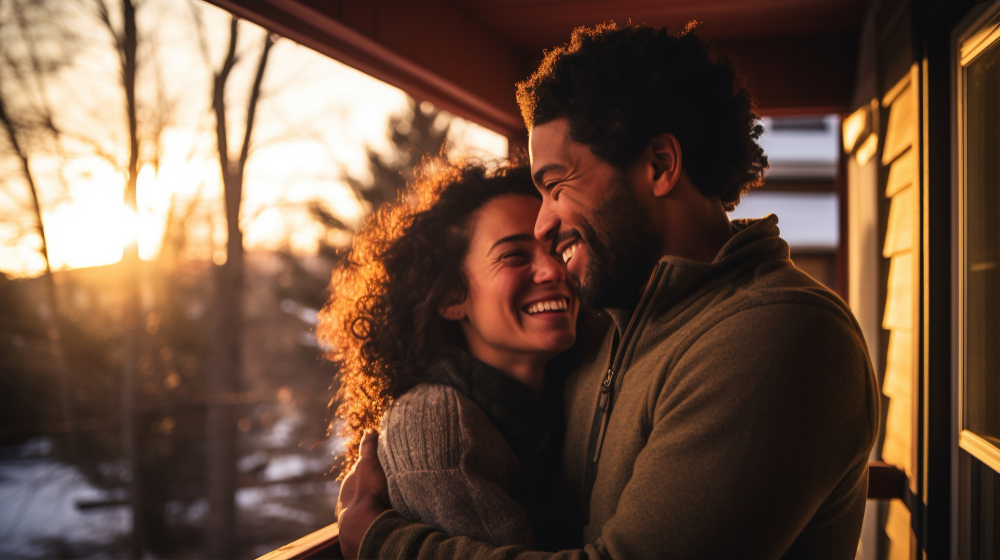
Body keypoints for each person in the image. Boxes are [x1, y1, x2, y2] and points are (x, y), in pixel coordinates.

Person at [338, 22, 880, 560]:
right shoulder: (608, 326)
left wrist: (385, 543)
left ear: (660, 165)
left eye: (556, 185)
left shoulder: (777, 334)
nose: (543, 224)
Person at [321, 158, 583, 551]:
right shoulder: (439, 426)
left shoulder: (562, 393)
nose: (553, 271)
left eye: (557, 248)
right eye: (514, 256)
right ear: (450, 297)